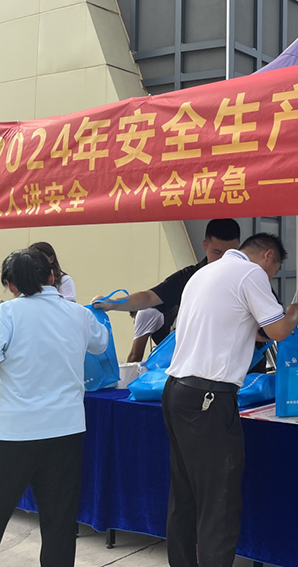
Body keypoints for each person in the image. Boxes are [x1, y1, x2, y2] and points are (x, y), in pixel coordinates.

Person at [161, 233, 298, 566]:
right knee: (219, 501)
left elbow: (241, 327)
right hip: (208, 398)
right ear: (267, 255)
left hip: (176, 391)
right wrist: (294, 314)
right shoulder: (250, 273)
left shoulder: (205, 273)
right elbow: (278, 331)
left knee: (184, 494)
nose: (269, 279)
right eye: (273, 271)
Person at [0, 249, 109, 567]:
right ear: (52, 276)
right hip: (65, 431)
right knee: (59, 523)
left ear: (11, 284)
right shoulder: (78, 314)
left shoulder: (7, 314)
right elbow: (100, 343)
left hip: (14, 432)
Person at [94, 219, 241, 362]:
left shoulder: (247, 278)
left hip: (240, 360)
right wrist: (112, 303)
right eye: (217, 252)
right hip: (198, 363)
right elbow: (149, 297)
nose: (224, 259)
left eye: (231, 253)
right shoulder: (188, 278)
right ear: (205, 245)